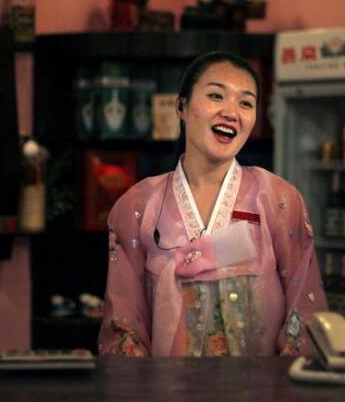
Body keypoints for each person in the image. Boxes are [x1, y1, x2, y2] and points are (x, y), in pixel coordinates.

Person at [99, 51, 326, 356]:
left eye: (245, 103)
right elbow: (124, 325)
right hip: (167, 383)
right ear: (181, 107)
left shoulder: (278, 199)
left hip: (260, 383)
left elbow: (303, 310)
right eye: (216, 96)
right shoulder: (137, 206)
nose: (231, 112)